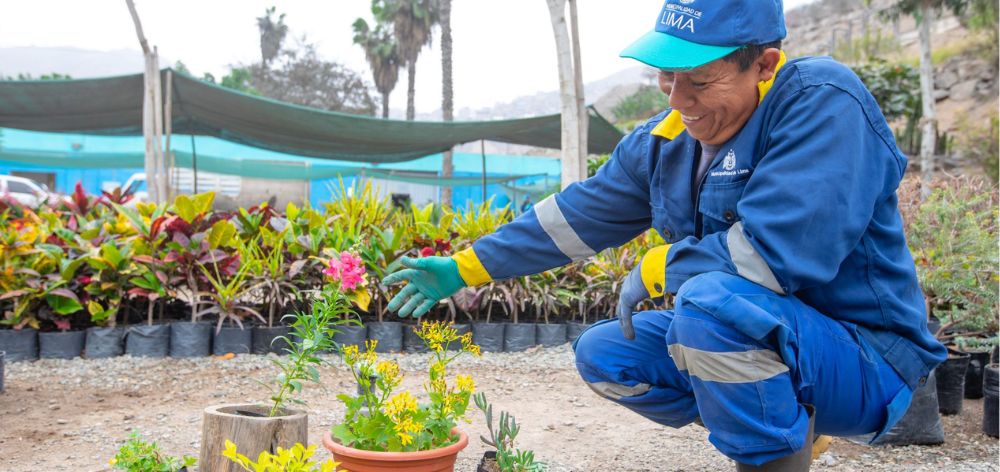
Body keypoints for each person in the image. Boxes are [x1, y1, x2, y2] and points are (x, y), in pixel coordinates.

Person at [381, 1, 946, 469]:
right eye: (667, 76)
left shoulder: (823, 102)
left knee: (708, 303)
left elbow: (776, 257)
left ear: (765, 64)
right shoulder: (666, 141)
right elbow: (576, 217)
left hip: (869, 358)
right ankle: (789, 426)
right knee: (606, 354)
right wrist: (464, 268)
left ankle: (772, 457)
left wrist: (659, 267)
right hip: (775, 340)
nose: (677, 99)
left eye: (699, 80)